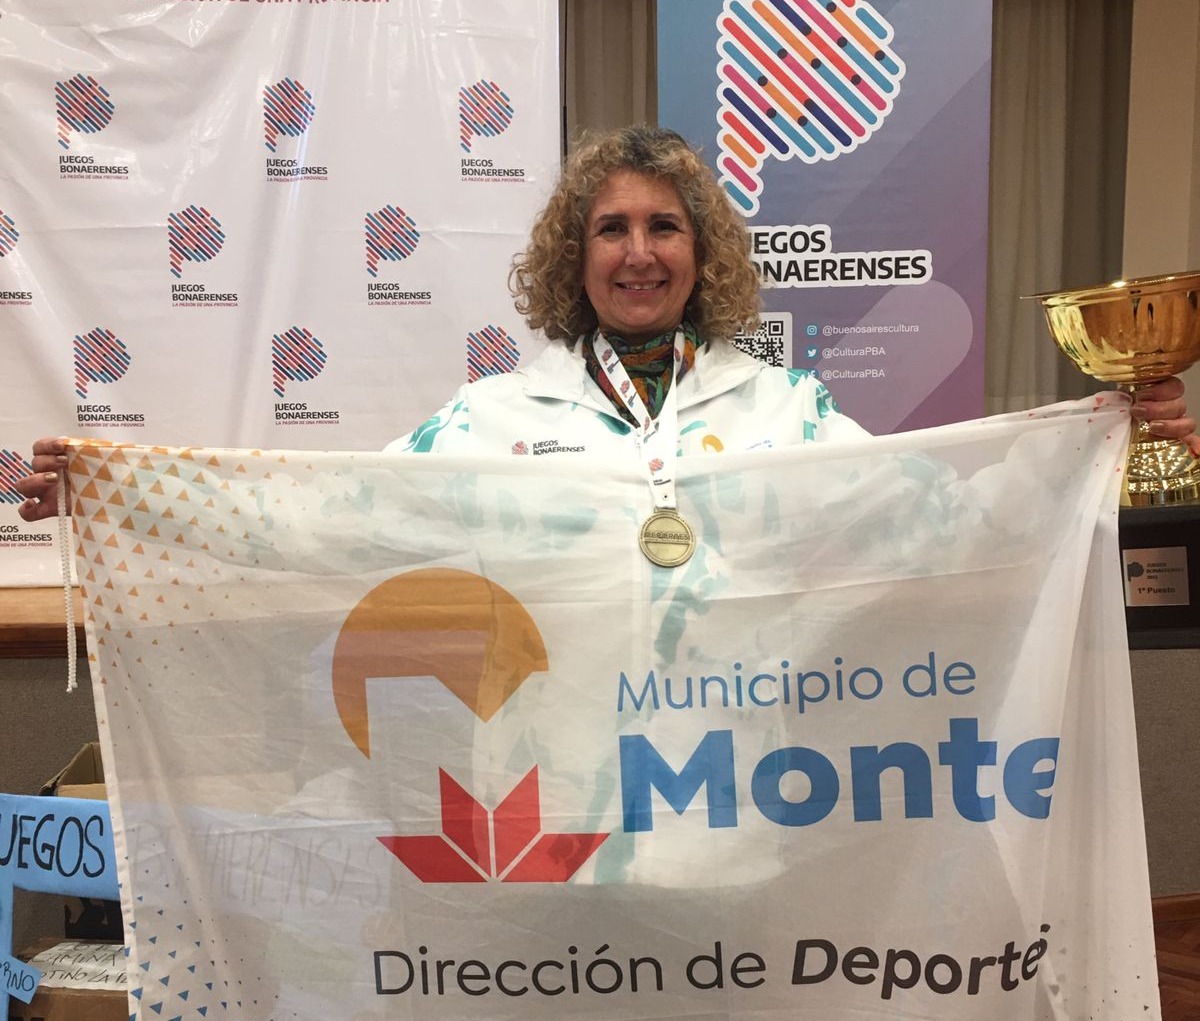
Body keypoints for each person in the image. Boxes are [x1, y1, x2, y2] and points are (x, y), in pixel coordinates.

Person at [16, 124, 1197, 517]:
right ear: (572, 260)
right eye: (612, 229)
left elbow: (928, 512)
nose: (639, 252)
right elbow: (330, 510)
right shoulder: (491, 417)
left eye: (665, 227)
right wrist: (129, 491)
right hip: (559, 800)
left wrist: (1109, 446)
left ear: (702, 254)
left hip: (741, 794)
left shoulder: (785, 410)